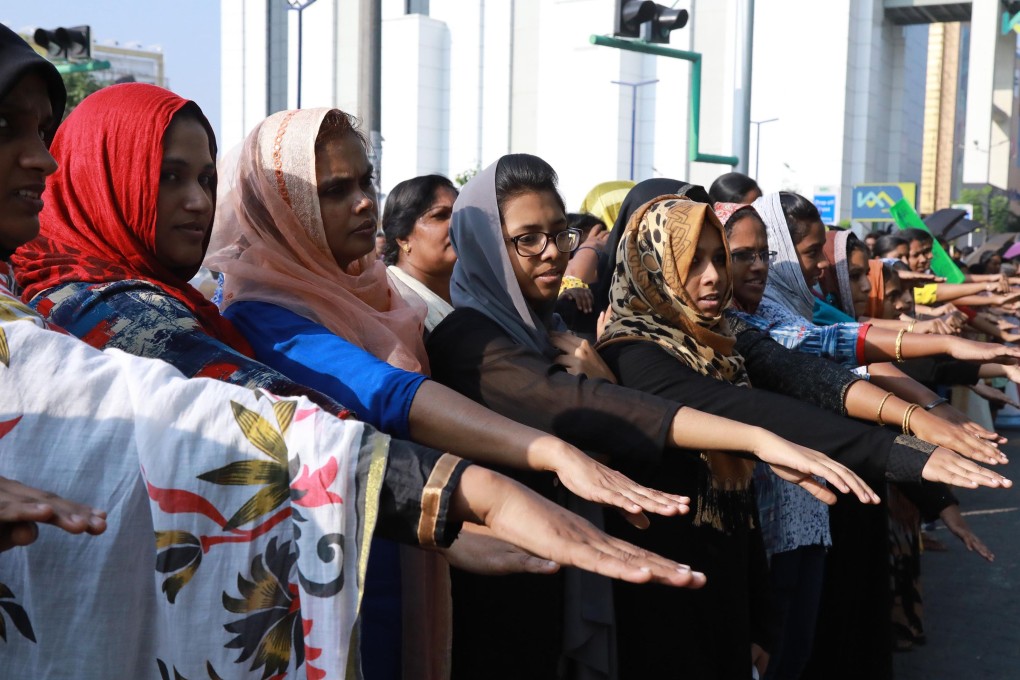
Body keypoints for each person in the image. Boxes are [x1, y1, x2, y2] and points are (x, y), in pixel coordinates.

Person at [0, 33, 708, 677]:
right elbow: (287, 412)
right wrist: (507, 475)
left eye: (207, 180)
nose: (195, 201)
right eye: (169, 177)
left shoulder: (295, 304)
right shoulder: (120, 309)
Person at [593, 193, 1009, 678]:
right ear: (651, 265)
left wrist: (758, 618)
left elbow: (801, 371)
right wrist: (904, 443)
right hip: (662, 586)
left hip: (730, 575)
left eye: (720, 258)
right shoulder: (633, 352)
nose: (714, 275)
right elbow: (756, 409)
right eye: (693, 261)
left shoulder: (719, 336)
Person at [381, 173, 458, 331]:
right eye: (440, 215)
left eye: (459, 214)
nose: (457, 223)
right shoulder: (391, 307)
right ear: (403, 237)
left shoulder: (474, 297)